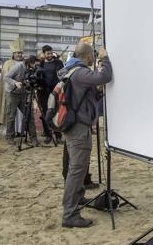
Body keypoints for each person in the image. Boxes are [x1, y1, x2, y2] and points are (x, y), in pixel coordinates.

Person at [62, 43, 113, 229]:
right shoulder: (80, 72)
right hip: (78, 128)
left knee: (78, 168)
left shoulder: (71, 69)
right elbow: (105, 76)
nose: (93, 58)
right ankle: (70, 214)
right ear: (88, 56)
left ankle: (79, 197)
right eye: (93, 55)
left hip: (75, 126)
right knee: (76, 170)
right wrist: (105, 58)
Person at [3, 55, 40, 146]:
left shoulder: (35, 69)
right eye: (34, 64)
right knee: (11, 116)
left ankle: (33, 138)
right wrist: (15, 83)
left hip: (24, 93)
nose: (35, 66)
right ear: (29, 63)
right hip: (12, 93)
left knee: (29, 115)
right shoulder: (19, 66)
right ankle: (10, 137)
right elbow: (6, 77)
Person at [39, 45, 64, 143]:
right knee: (45, 113)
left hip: (55, 92)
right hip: (44, 93)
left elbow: (62, 75)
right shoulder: (41, 64)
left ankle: (58, 135)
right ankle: (48, 135)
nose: (50, 55)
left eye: (51, 53)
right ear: (44, 54)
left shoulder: (58, 62)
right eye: (47, 53)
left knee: (56, 113)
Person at [0, 39, 24, 125]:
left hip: (22, 92)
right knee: (11, 114)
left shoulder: (25, 63)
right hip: (11, 92)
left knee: (23, 113)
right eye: (17, 52)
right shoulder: (7, 63)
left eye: (20, 52)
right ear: (13, 53)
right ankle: (11, 133)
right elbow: (5, 78)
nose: (19, 54)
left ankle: (21, 130)